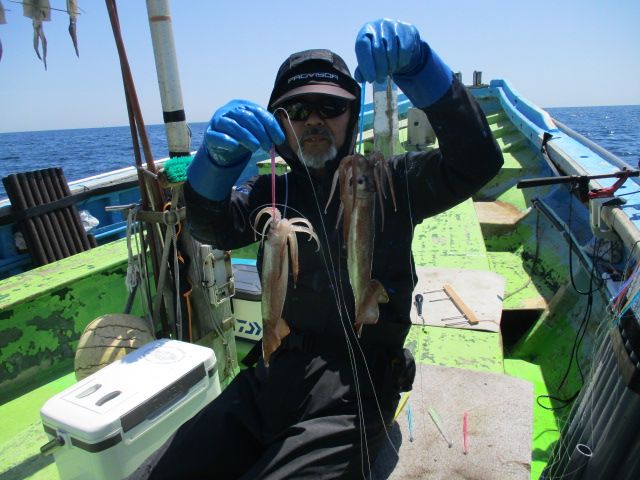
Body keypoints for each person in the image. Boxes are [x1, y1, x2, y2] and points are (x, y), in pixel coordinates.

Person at [149, 18, 503, 479]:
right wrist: (212, 166)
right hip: (273, 373)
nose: (314, 120)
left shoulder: (389, 183)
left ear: (351, 116)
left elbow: (477, 161)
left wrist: (422, 68)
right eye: (297, 110)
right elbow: (210, 227)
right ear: (280, 124)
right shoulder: (270, 195)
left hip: (359, 386)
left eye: (330, 107)